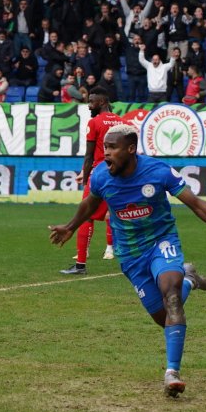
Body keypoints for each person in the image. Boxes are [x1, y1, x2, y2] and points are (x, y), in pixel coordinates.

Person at [49, 125, 206, 396]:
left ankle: (172, 372)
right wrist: (71, 226)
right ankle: (190, 280)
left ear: (131, 149)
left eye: (112, 148)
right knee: (164, 317)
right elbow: (91, 202)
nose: (107, 153)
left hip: (162, 242)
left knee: (171, 299)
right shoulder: (101, 175)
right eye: (105, 148)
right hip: (130, 254)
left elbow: (197, 204)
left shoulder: (158, 172)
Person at [60, 88, 127, 276]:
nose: (89, 105)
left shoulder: (94, 122)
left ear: (102, 102)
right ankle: (132, 259)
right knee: (122, 215)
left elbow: (89, 156)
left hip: (99, 173)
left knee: (86, 215)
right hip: (119, 175)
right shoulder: (122, 122)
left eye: (92, 102)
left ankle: (80, 264)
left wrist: (86, 175)